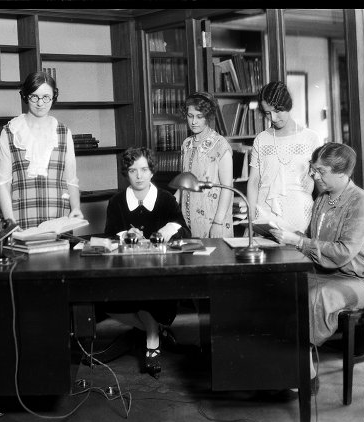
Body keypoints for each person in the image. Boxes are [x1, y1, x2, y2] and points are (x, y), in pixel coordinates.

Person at [270, 143, 364, 392]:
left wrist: (299, 242)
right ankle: (302, 367)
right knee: (284, 287)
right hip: (332, 273)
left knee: (317, 296)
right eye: (313, 169)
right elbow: (312, 239)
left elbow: (343, 252)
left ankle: (302, 374)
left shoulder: (361, 202)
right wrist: (288, 236)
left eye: (320, 171)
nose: (314, 175)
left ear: (342, 173)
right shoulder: (322, 199)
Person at [96, 147, 191, 378]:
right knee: (106, 301)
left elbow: (185, 233)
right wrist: (124, 235)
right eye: (132, 170)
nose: (139, 176)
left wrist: (170, 230)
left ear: (152, 171)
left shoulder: (166, 199)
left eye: (144, 169)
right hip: (126, 274)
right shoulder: (117, 202)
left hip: (160, 275)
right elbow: (108, 237)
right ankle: (154, 331)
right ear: (126, 173)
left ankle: (151, 340)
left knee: (151, 296)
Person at [0, 71, 83, 229]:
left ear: (53, 97)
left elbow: (71, 180)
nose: (40, 103)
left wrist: (76, 208)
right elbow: (3, 183)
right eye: (34, 97)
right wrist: (10, 221)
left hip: (59, 218)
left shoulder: (63, 132)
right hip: (20, 219)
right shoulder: (10, 131)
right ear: (25, 96)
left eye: (46, 97)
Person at [247, 81, 322, 233]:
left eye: (277, 111)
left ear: (288, 105)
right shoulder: (261, 139)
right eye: (268, 113)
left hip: (300, 213)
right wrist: (251, 217)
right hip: (265, 213)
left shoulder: (311, 138)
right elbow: (253, 181)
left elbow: (321, 179)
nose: (273, 118)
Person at [176, 91, 234, 238]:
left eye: (199, 116)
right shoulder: (186, 144)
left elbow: (227, 188)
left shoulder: (220, 145)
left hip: (213, 220)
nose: (194, 122)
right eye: (190, 116)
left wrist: (217, 223)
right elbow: (183, 184)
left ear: (207, 116)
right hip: (188, 219)